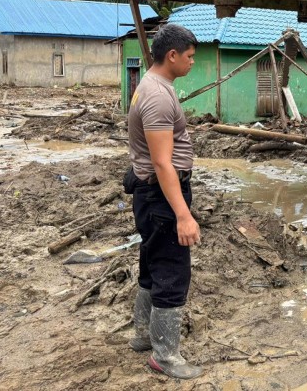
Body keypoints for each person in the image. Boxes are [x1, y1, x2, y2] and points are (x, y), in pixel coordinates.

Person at [122, 23, 202, 380]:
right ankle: (165, 356)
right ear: (172, 55)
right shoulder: (156, 95)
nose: (191, 64)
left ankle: (142, 335)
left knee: (152, 261)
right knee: (172, 269)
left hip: (152, 192)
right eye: (190, 57)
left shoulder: (153, 87)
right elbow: (161, 162)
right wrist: (183, 214)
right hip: (161, 194)